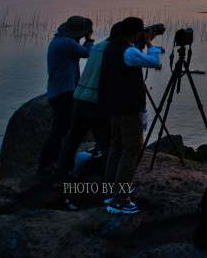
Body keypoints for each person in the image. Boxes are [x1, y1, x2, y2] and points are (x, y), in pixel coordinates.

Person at [98, 17, 162, 214]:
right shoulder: (128, 51)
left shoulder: (111, 47)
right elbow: (155, 62)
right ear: (135, 33)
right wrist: (150, 43)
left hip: (114, 108)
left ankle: (110, 189)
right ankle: (120, 197)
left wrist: (140, 43)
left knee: (116, 149)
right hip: (129, 109)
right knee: (131, 151)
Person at [54, 26, 115, 188]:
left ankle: (61, 175)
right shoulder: (117, 50)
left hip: (80, 96)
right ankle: (107, 184)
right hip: (95, 100)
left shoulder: (97, 48)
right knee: (106, 143)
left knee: (72, 137)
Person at [38, 16, 94, 174]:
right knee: (59, 129)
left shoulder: (61, 41)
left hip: (60, 91)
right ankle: (46, 163)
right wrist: (89, 39)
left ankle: (53, 161)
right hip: (64, 92)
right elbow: (88, 52)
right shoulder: (66, 43)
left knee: (61, 129)